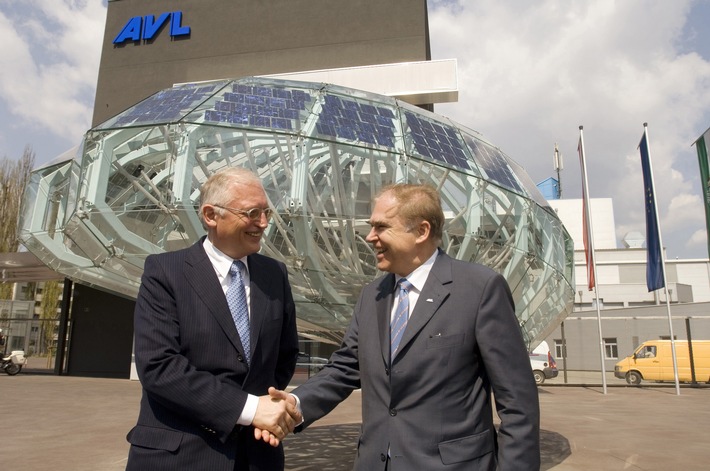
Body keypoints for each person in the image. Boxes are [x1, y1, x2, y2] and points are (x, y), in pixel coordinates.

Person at [263, 183, 540, 470]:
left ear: (421, 231)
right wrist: (296, 403)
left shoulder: (479, 289)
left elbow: (518, 403)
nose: (370, 237)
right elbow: (344, 368)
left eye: (381, 227)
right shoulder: (372, 295)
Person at [126, 167, 301, 470]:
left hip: (257, 457)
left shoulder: (275, 276)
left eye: (266, 213)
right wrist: (248, 409)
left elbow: (284, 357)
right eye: (252, 213)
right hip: (179, 457)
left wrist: (268, 407)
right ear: (210, 215)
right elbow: (159, 367)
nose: (263, 223)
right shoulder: (165, 272)